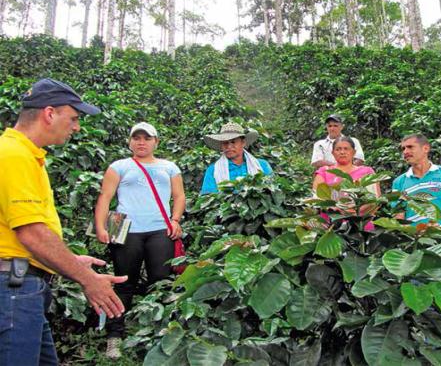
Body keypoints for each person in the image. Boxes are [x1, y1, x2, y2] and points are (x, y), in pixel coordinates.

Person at [0, 78, 126, 365]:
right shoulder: (14, 155)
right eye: (74, 118)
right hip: (13, 292)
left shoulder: (26, 156)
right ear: (49, 113)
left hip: (23, 288)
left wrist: (69, 261)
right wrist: (88, 280)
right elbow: (31, 233)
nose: (76, 127)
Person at [94, 122, 186, 358]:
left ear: (156, 142)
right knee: (124, 281)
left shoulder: (169, 167)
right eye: (137, 138)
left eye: (147, 138)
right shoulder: (119, 166)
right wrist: (100, 226)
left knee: (161, 282)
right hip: (123, 226)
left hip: (160, 229)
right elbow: (106, 197)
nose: (141, 142)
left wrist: (175, 220)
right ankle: (115, 336)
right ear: (129, 141)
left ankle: (159, 334)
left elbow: (179, 196)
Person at [392, 134, 441, 243]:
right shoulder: (399, 182)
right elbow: (399, 218)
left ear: (426, 148)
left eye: (410, 147)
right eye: (403, 148)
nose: (405, 152)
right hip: (417, 242)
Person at [312, 136, 380, 231]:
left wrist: (352, 213)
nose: (342, 152)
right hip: (330, 226)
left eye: (346, 149)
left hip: (361, 227)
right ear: (333, 153)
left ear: (354, 152)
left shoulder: (367, 171)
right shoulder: (324, 171)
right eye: (338, 149)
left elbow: (375, 200)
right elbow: (317, 198)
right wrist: (334, 209)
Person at [200, 122, 273, 194]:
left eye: (233, 142)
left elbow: (273, 192)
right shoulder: (213, 170)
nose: (229, 147)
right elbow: (208, 198)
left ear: (243, 143)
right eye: (225, 143)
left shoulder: (262, 166)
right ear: (221, 145)